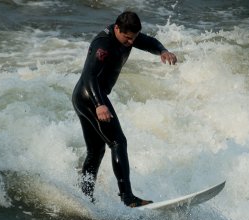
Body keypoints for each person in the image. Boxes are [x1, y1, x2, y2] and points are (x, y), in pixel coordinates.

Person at [72, 11, 177, 207]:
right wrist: (99, 104)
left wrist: (162, 51)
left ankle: (84, 198)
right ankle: (127, 197)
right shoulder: (103, 45)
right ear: (117, 28)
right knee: (118, 142)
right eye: (127, 38)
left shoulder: (127, 36)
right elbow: (89, 76)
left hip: (85, 97)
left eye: (133, 38)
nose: (130, 42)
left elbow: (149, 42)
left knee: (96, 150)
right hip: (90, 96)